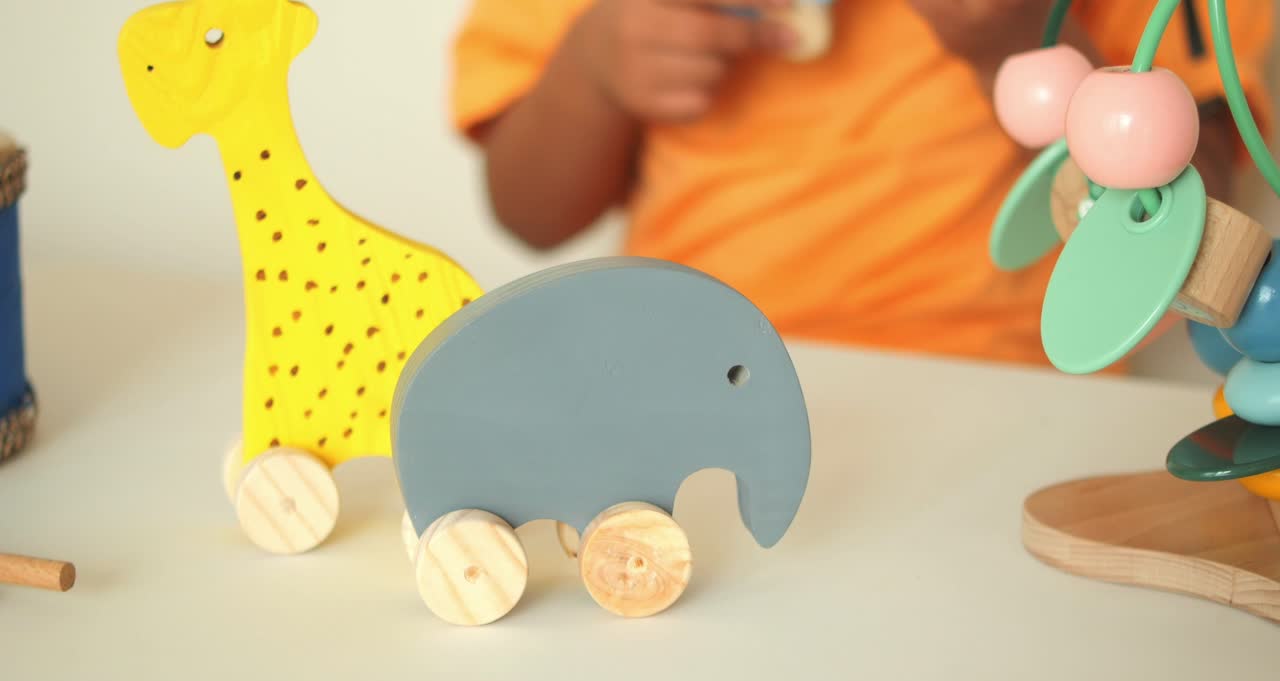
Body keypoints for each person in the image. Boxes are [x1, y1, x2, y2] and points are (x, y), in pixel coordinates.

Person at [447, 0, 1274, 369]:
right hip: (674, 367)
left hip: (997, 385)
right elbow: (529, 214)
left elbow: (1209, 243)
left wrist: (1017, 40)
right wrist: (592, 67)